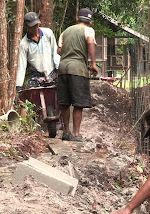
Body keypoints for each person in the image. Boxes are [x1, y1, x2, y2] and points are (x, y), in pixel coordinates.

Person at [56, 8, 99, 142]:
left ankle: (66, 132)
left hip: (63, 68)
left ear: (77, 19)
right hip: (78, 69)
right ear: (90, 22)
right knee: (78, 103)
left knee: (64, 102)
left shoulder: (65, 31)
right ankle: (75, 134)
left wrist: (69, 52)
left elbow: (59, 50)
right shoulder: (88, 30)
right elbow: (90, 42)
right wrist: (93, 63)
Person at [16, 12, 60, 92]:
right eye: (32, 26)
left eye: (37, 25)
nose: (35, 28)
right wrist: (18, 86)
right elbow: (21, 66)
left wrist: (58, 69)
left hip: (52, 72)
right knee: (31, 94)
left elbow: (55, 52)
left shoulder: (48, 33)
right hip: (37, 75)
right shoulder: (24, 44)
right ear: (26, 26)